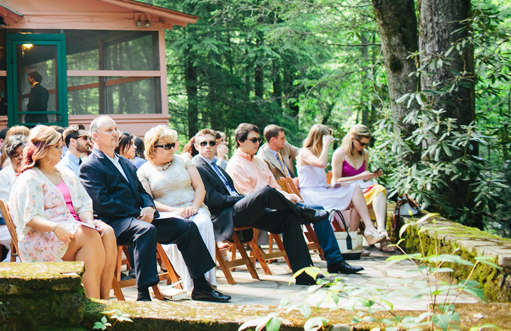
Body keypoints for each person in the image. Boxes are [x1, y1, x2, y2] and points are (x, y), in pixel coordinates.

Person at [78, 115, 229, 303]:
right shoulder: (90, 165)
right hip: (113, 222)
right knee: (146, 231)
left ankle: (201, 287)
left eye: (116, 128)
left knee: (187, 227)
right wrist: (137, 214)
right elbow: (102, 203)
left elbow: (142, 192)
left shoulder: (126, 162)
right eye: (109, 130)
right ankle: (143, 295)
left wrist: (149, 207)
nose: (115, 133)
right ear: (95, 137)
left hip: (139, 218)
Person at [192, 127, 325, 285]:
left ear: (216, 145)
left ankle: (305, 274)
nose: (208, 146)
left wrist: (238, 197)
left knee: (289, 218)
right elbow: (212, 199)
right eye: (203, 143)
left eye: (212, 143)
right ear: (196, 146)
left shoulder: (217, 166)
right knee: (265, 192)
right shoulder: (198, 166)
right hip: (226, 215)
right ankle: (303, 212)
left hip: (242, 210)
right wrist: (238, 198)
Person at [228, 123, 363, 278]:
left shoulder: (258, 161)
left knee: (319, 210)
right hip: (257, 211)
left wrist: (287, 196)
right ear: (240, 141)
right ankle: (302, 213)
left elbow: (275, 186)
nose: (258, 143)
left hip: (277, 206)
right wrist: (284, 198)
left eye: (258, 140)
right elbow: (249, 197)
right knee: (281, 201)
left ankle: (334, 261)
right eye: (253, 140)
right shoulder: (235, 164)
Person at [10, 126, 118, 299]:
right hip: (43, 235)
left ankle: (104, 299)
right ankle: (93, 301)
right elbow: (30, 218)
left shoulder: (65, 173)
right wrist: (55, 227)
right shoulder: (30, 178)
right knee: (90, 236)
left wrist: (88, 222)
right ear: (43, 149)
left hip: (75, 228)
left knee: (107, 232)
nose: (62, 151)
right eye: (57, 147)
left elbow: (83, 204)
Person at [136, 126, 225, 294]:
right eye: (167, 145)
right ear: (153, 147)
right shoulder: (144, 171)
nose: (172, 149)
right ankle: (193, 284)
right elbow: (149, 201)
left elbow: (200, 188)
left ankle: (207, 281)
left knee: (203, 223)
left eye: (173, 145)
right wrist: (174, 211)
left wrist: (195, 207)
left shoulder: (184, 161)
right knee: (179, 229)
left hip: (195, 206)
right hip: (167, 213)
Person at [295, 124, 385, 247]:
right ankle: (363, 233)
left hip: (323, 191)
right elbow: (321, 164)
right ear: (320, 139)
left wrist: (329, 186)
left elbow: (318, 178)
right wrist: (326, 145)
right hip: (312, 196)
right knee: (355, 192)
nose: (329, 144)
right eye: (327, 141)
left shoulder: (317, 154)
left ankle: (358, 237)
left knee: (355, 191)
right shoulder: (304, 152)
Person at [332, 124, 390, 244]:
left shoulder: (364, 153)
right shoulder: (339, 153)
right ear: (352, 139)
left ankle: (380, 230)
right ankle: (368, 236)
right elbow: (336, 180)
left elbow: (364, 179)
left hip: (361, 189)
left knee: (379, 189)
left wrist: (372, 176)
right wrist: (359, 176)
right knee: (359, 199)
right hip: (344, 192)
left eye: (366, 144)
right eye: (362, 143)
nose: (363, 146)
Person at [0, 135, 27, 208]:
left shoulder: (32, 172)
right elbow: (5, 207)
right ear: (10, 157)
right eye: (16, 155)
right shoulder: (3, 176)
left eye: (24, 154)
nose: (21, 158)